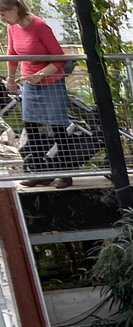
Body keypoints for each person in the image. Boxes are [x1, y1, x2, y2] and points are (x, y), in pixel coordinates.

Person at [1, 0, 72, 188]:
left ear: (14, 9)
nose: (2, 19)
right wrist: (10, 79)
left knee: (57, 127)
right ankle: (40, 171)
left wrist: (40, 75)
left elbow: (59, 58)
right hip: (29, 83)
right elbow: (12, 54)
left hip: (51, 82)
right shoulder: (12, 27)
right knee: (31, 127)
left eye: (3, 14)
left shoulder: (40, 26)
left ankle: (65, 173)